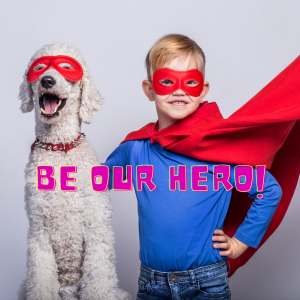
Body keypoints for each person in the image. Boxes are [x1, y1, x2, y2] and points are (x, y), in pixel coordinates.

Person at [102, 34, 282, 300]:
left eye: (190, 82)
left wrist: (240, 243)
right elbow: (95, 180)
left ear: (203, 91)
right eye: (166, 81)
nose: (179, 90)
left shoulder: (219, 153)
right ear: (149, 89)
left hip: (206, 283)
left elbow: (269, 190)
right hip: (152, 283)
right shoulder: (136, 148)